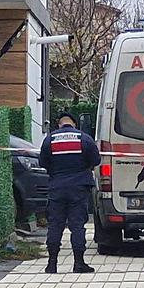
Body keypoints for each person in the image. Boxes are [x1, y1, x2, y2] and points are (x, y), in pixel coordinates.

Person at [39, 112, 101, 274]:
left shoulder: (50, 139)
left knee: (55, 225)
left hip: (57, 188)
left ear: (59, 124)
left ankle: (52, 264)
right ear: (74, 124)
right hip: (79, 188)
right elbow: (96, 160)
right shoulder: (84, 138)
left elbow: (43, 162)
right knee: (77, 226)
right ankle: (79, 263)